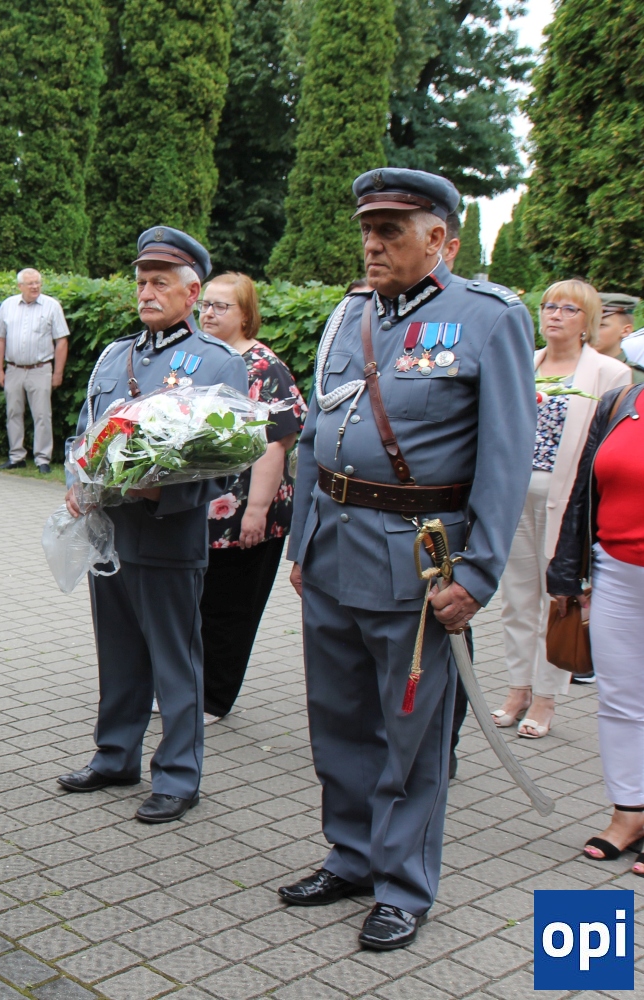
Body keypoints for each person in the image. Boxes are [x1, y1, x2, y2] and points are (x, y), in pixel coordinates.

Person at [279, 168, 534, 951]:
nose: (373, 243)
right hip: (332, 551)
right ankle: (351, 855)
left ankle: (402, 884)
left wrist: (478, 573)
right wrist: (300, 541)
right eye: (368, 228)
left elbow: (506, 458)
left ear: (439, 239)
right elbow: (316, 436)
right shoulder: (348, 314)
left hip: (418, 565)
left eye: (391, 230)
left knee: (413, 737)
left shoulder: (488, 317)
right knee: (338, 721)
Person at [55, 227, 247, 824]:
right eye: (141, 281)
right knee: (118, 654)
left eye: (160, 282)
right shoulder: (115, 355)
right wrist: (77, 478)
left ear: (192, 294)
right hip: (109, 530)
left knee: (174, 661)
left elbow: (229, 461)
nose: (146, 292)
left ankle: (179, 775)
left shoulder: (217, 362)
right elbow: (87, 429)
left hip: (167, 533)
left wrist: (162, 490)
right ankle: (115, 756)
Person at [490, 281, 631, 737]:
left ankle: (546, 698)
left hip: (569, 499)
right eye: (549, 306)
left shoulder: (609, 373)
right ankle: (518, 689)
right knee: (516, 600)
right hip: (515, 494)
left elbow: (609, 445)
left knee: (558, 600)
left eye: (569, 309)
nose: (555, 315)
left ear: (587, 321)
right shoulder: (524, 362)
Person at [196, 272, 305, 721]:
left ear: (245, 314)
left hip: (247, 510)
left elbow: (278, 441)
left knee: (230, 608)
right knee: (198, 604)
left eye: (220, 306)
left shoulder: (262, 366)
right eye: (204, 304)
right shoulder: (204, 358)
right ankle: (189, 685)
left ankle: (214, 697)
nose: (208, 313)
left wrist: (256, 511)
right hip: (203, 509)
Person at [548, 380, 644, 877]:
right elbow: (583, 491)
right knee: (621, 699)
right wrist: (567, 572)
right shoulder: (622, 401)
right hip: (617, 573)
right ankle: (629, 813)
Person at [0, 268, 68, 473]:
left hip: (40, 368)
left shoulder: (52, 306)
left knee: (42, 415)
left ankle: (42, 459)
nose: (35, 287)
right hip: (14, 369)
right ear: (20, 286)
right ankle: (16, 456)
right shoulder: (8, 305)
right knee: (13, 413)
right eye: (30, 283)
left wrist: (58, 373)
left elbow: (61, 341)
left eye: (37, 283)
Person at [597, 293, 644, 384]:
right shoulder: (572, 369)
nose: (591, 331)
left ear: (625, 331)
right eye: (588, 324)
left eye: (601, 325)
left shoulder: (637, 380)